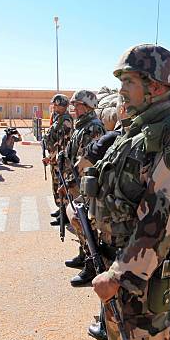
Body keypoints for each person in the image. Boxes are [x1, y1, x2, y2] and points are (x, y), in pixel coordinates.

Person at [89, 44, 170, 340]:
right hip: (114, 270)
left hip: (139, 280)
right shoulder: (134, 132)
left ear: (154, 86)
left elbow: (162, 220)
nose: (120, 90)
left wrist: (119, 275)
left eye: (129, 82)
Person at [58, 90, 105, 287]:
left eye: (78, 105)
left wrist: (70, 182)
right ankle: (83, 254)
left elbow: (88, 161)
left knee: (86, 225)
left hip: (85, 184)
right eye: (74, 105)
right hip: (76, 181)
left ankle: (92, 264)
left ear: (88, 107)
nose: (74, 109)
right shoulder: (82, 127)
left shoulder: (93, 128)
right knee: (79, 225)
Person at [42, 94, 73, 227]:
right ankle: (60, 208)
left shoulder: (65, 120)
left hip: (61, 160)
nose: (54, 107)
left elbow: (62, 143)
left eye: (56, 105)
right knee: (55, 186)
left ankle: (65, 214)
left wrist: (51, 157)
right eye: (53, 104)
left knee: (62, 187)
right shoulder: (57, 118)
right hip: (54, 159)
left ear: (63, 105)